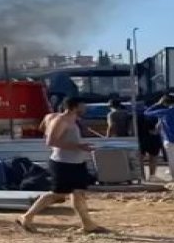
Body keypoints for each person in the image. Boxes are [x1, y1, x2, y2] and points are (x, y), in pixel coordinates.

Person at [17, 97, 107, 234]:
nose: (85, 108)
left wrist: (80, 147)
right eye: (83, 105)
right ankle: (27, 217)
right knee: (57, 194)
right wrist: (78, 146)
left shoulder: (73, 120)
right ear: (75, 107)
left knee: (78, 193)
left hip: (76, 163)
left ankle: (88, 224)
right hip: (63, 163)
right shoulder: (60, 120)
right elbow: (51, 141)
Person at [136, 109, 163, 181]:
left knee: (140, 159)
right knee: (153, 158)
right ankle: (152, 176)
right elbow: (156, 131)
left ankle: (142, 176)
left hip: (141, 140)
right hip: (154, 140)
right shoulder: (156, 117)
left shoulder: (137, 117)